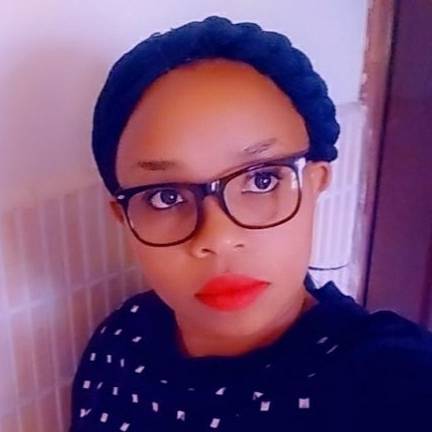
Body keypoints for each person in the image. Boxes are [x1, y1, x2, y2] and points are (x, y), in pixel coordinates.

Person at [69, 15, 432, 432]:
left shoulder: (391, 380)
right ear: (124, 218)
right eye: (165, 196)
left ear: (315, 184)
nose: (219, 238)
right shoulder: (118, 346)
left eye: (261, 180)